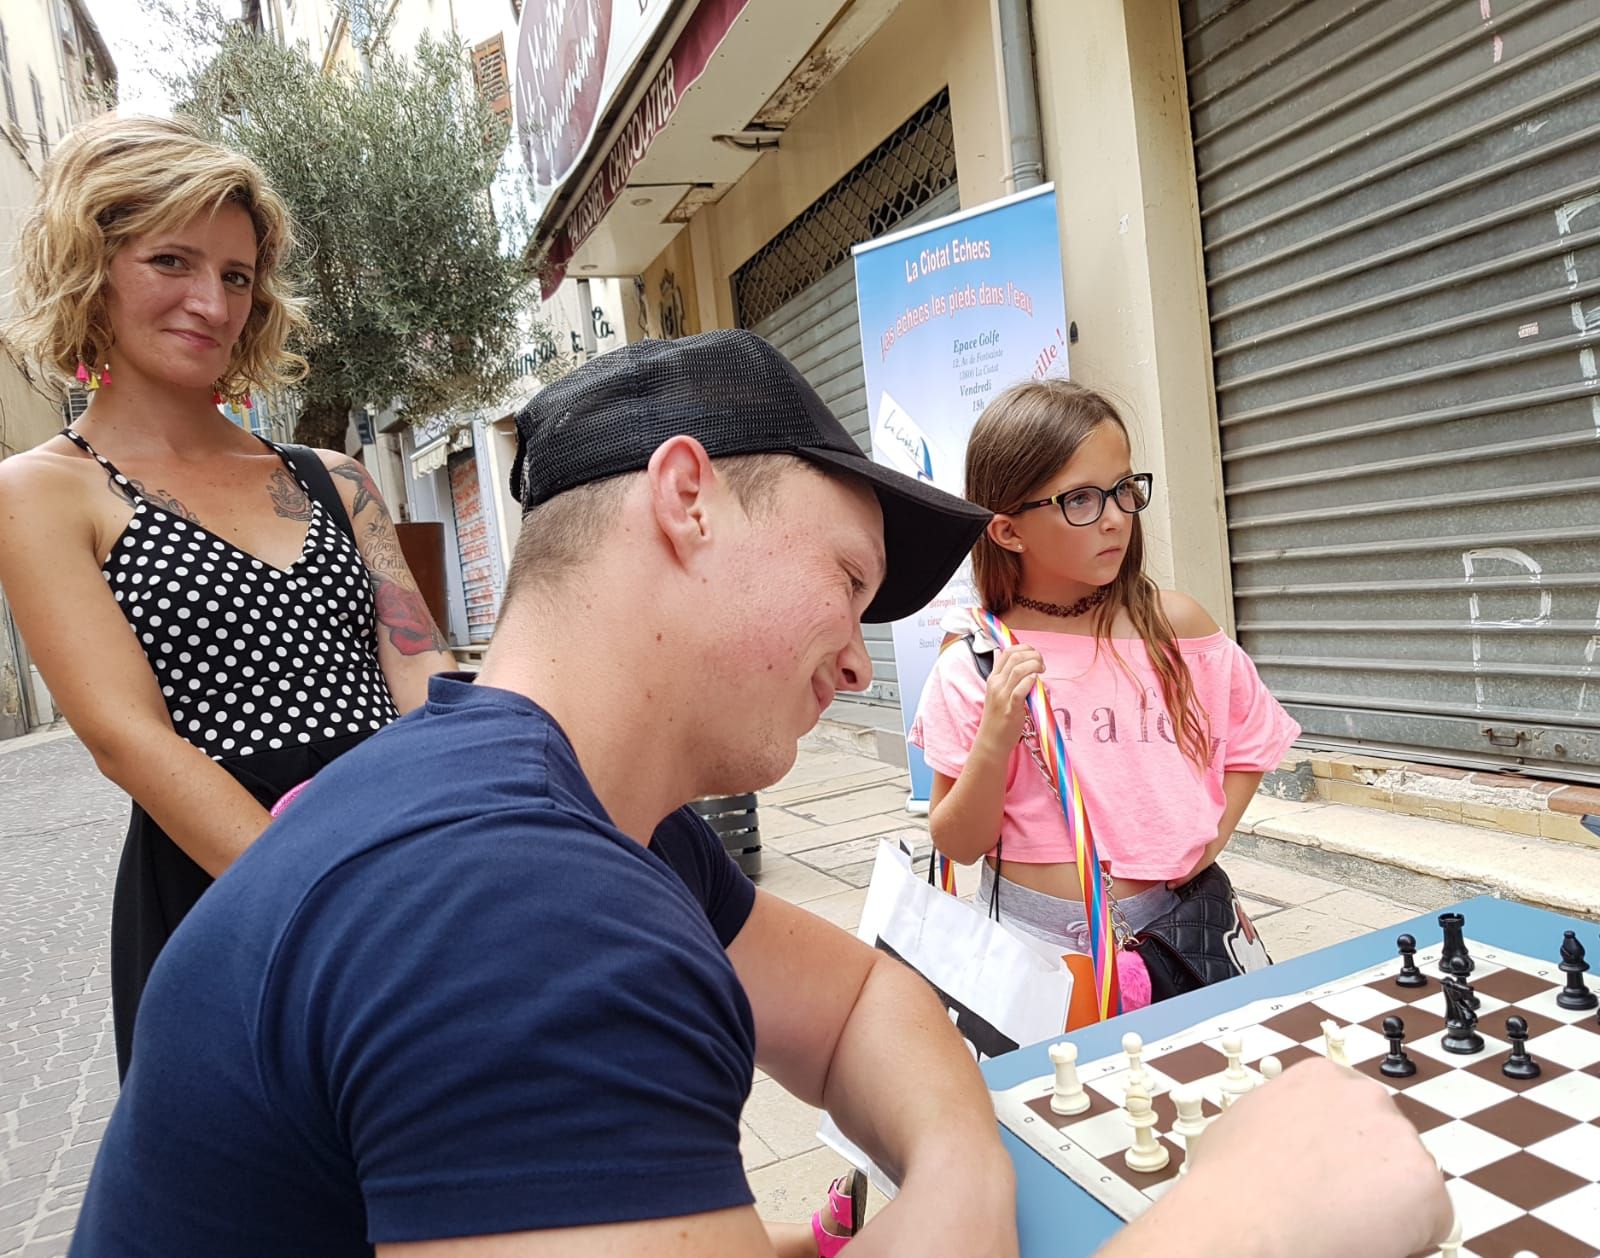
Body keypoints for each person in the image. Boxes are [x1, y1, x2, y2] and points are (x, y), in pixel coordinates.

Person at [68, 332, 1449, 1258]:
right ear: (686, 499)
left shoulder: (583, 815)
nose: (855, 660)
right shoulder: (512, 907)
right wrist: (1241, 1222)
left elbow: (859, 1003)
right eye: (846, 579)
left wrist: (957, 1180)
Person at [0, 115, 453, 1077]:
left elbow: (422, 668)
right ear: (91, 268)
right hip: (228, 889)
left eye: (237, 275)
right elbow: (128, 738)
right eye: (171, 260)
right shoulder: (42, 492)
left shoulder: (334, 476)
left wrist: (476, 825)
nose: (211, 303)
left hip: (404, 856)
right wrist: (326, 905)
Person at [912, 379, 1299, 996]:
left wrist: (1210, 842)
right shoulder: (979, 658)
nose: (1116, 517)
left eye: (1123, 489)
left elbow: (1253, 739)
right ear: (1008, 532)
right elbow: (959, 843)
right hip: (1030, 952)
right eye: (1081, 500)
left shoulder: (1174, 628)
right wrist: (994, 737)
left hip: (1177, 935)